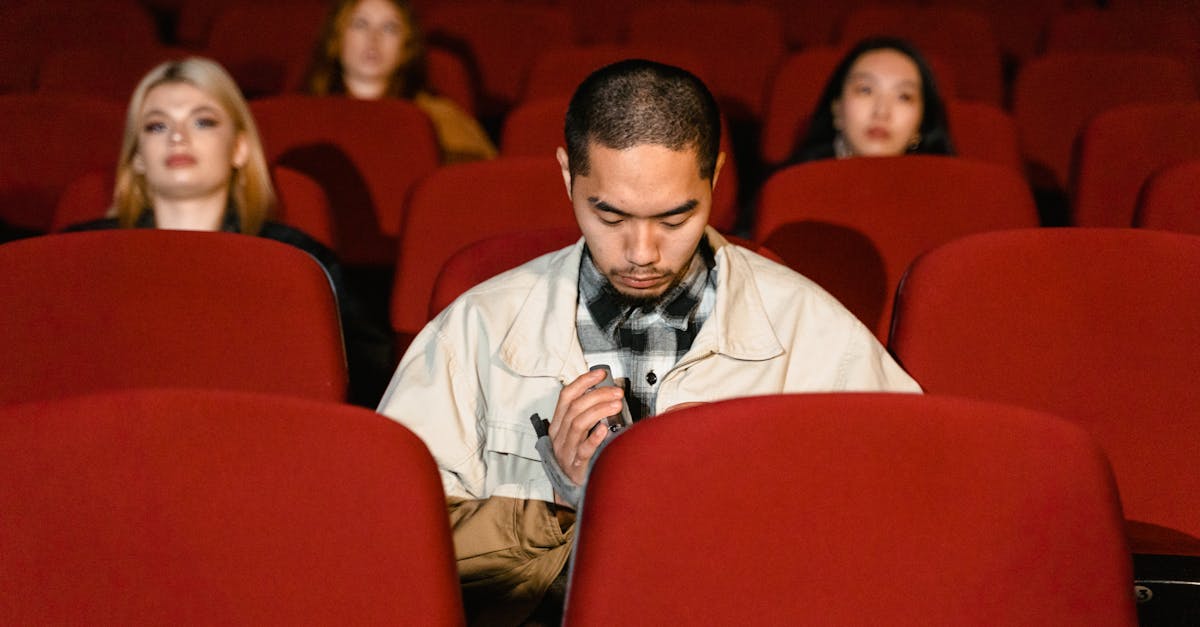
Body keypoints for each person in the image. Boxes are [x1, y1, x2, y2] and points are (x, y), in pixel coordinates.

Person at [376, 59, 922, 625]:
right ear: (568, 176)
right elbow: (388, 547)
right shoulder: (477, 327)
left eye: (674, 218)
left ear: (714, 177)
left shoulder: (810, 327)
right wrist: (558, 508)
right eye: (609, 216)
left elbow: (907, 515)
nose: (642, 252)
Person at [65, 56, 393, 407]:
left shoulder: (299, 262)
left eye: (203, 122)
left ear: (239, 148)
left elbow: (367, 378)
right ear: (137, 158)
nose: (178, 137)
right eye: (156, 126)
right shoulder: (78, 257)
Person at [302, 0, 497, 163]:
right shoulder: (302, 115)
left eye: (389, 28)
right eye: (360, 24)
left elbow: (479, 181)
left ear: (407, 46)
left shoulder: (437, 118)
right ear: (336, 37)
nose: (373, 39)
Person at [792, 37, 954, 162]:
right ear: (837, 109)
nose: (881, 111)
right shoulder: (786, 190)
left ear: (922, 123)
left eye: (903, 97)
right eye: (865, 90)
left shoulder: (952, 195)